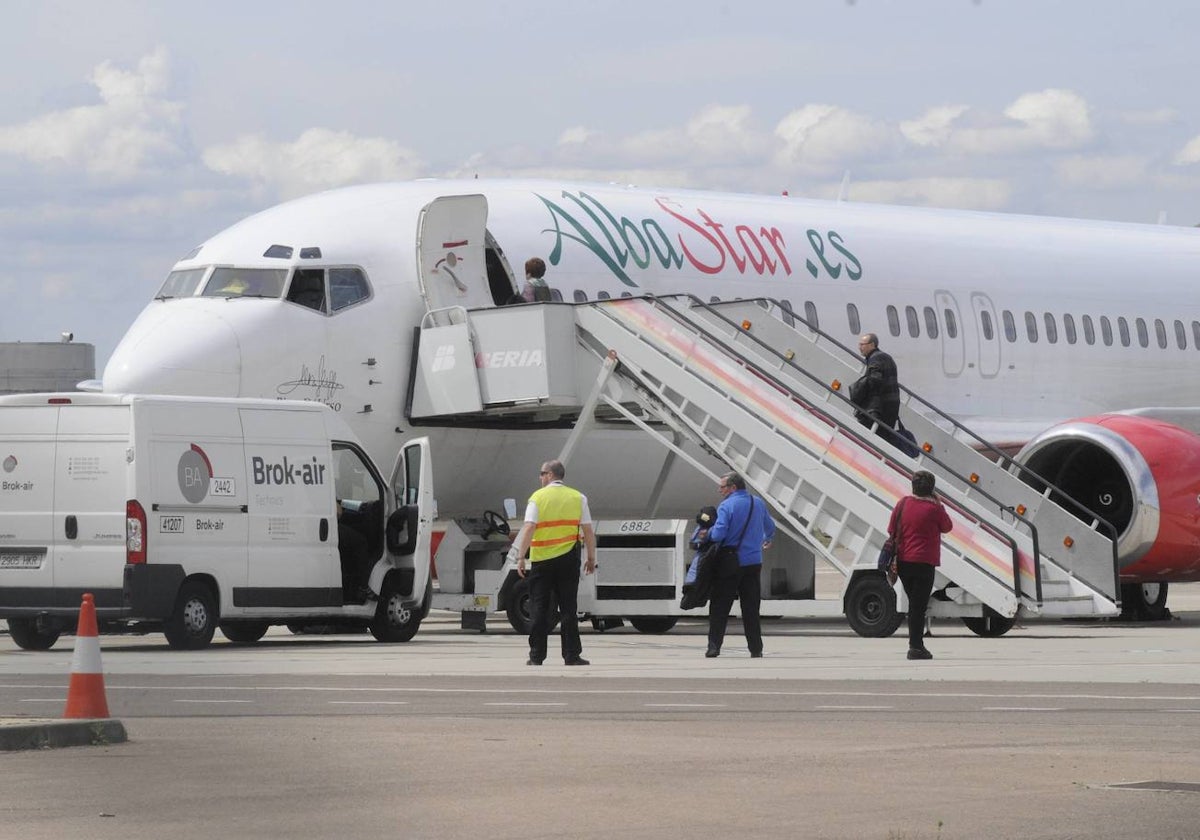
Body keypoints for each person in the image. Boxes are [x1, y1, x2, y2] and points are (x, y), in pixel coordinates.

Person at [506, 459, 597, 666]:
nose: (540, 478)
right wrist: (591, 558)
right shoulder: (578, 497)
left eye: (541, 473)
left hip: (542, 561)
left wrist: (520, 556)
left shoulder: (537, 498)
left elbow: (529, 527)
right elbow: (588, 531)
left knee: (539, 608)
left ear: (549, 475)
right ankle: (571, 655)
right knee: (568, 609)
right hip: (568, 560)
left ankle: (537, 656)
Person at [705, 472, 775, 658]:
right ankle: (756, 648)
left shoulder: (727, 505)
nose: (720, 490)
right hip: (754, 563)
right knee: (751, 608)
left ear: (733, 488)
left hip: (730, 562)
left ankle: (714, 647)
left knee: (720, 606)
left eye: (723, 487)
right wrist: (767, 539)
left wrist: (708, 533)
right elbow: (770, 527)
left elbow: (719, 534)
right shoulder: (757, 503)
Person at [887, 470, 953, 660]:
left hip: (904, 561)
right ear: (931, 489)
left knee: (914, 604)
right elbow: (947, 527)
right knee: (918, 606)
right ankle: (915, 646)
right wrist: (939, 503)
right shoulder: (935, 509)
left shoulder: (903, 504)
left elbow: (891, 528)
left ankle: (915, 645)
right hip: (925, 562)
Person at [849, 332, 901, 442]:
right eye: (859, 344)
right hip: (892, 405)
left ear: (872, 345)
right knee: (884, 438)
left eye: (862, 344)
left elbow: (875, 379)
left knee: (873, 438)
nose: (860, 347)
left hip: (880, 408)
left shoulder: (875, 358)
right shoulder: (886, 357)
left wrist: (859, 390)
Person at [680, 505, 717, 610]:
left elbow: (703, 518)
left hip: (704, 557)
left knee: (696, 581)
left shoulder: (708, 527)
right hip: (704, 557)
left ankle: (692, 599)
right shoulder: (706, 527)